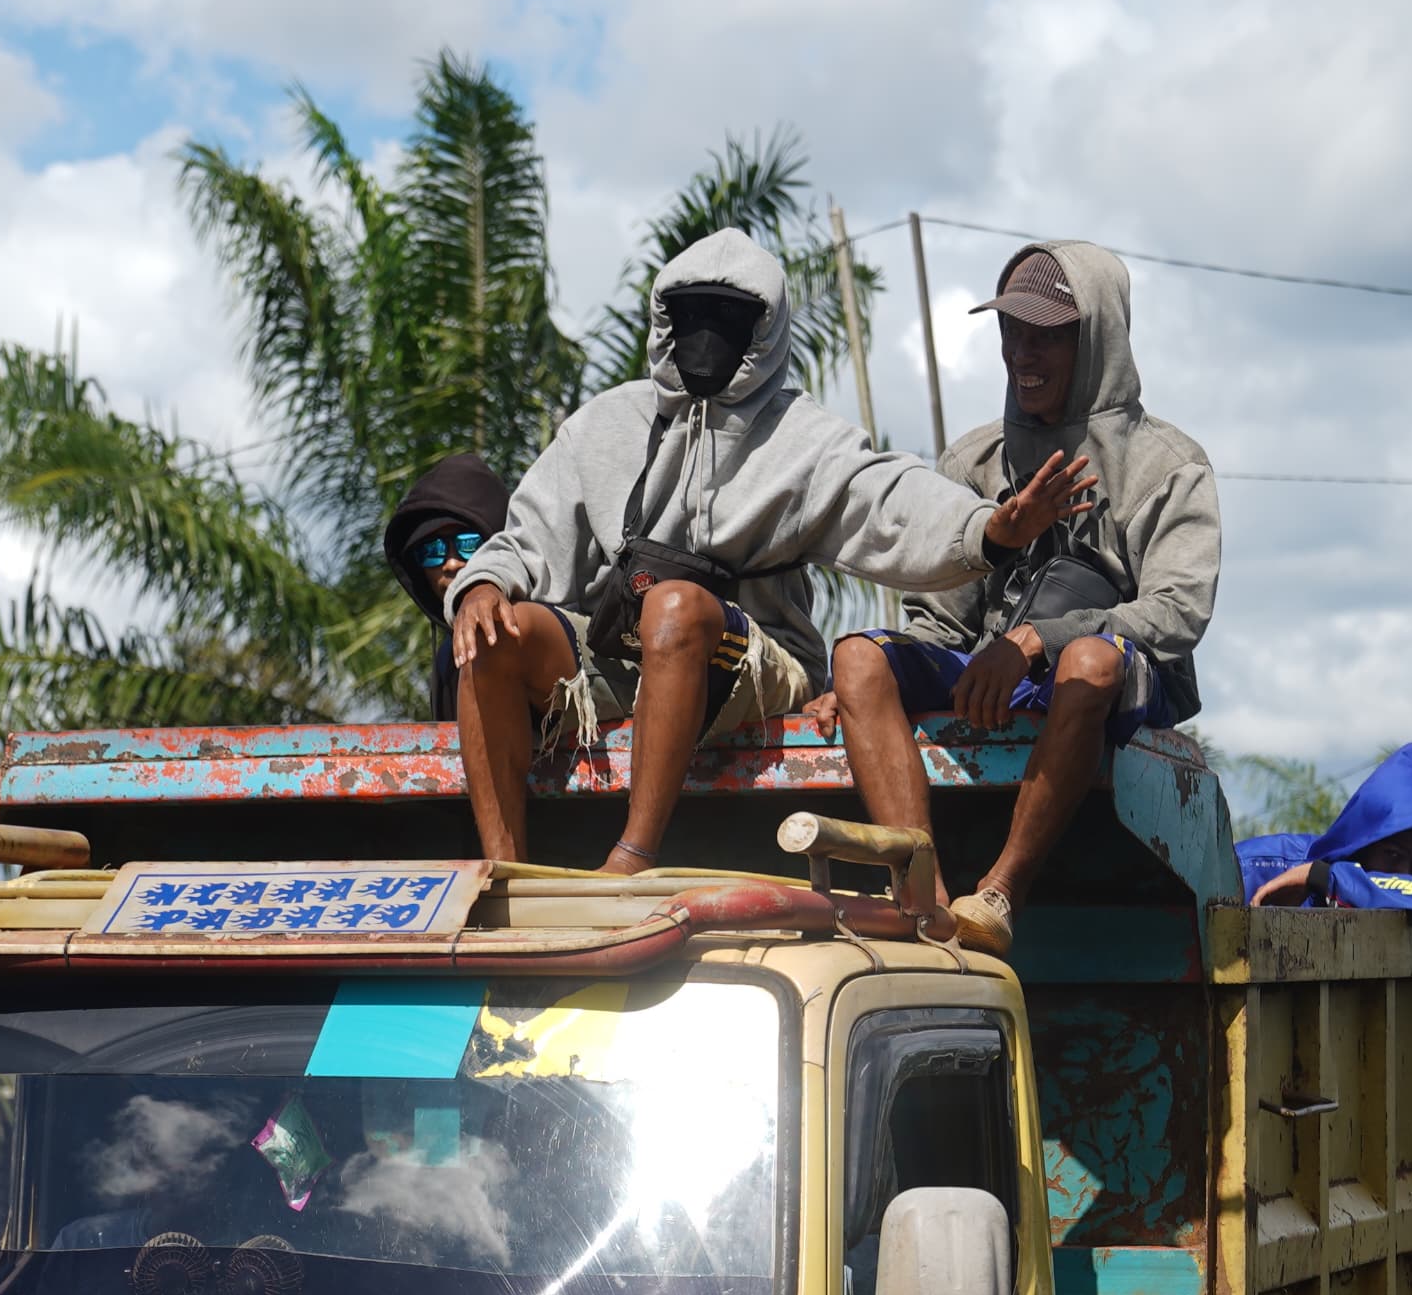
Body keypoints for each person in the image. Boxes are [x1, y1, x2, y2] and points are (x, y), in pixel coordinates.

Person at [447, 227, 1086, 874]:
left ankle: (632, 857)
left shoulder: (801, 437)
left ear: (765, 331)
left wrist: (990, 529)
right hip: (625, 655)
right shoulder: (606, 424)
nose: (706, 334)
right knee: (494, 634)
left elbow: (893, 498)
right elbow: (527, 534)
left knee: (674, 608)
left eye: (729, 318)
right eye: (692, 313)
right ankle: (508, 874)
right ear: (665, 318)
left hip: (754, 663)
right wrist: (483, 585)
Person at [832, 240, 1222, 956]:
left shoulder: (1170, 464)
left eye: (1047, 334)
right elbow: (943, 617)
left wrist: (1042, 639)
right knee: (859, 658)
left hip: (1112, 678)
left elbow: (1180, 612)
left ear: (1096, 336)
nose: (1023, 353)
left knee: (1090, 665)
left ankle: (1001, 891)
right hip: (997, 667)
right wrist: (878, 679)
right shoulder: (973, 459)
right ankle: (929, 896)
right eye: (1013, 331)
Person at [1233, 747, 1412, 926]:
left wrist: (1321, 877)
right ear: (1361, 842)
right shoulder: (1254, 867)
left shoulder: (1321, 874)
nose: (1406, 873)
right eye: (1393, 854)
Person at [385, 455, 509, 724]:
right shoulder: (446, 661)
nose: (451, 563)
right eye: (433, 551)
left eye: (469, 543)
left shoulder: (537, 629)